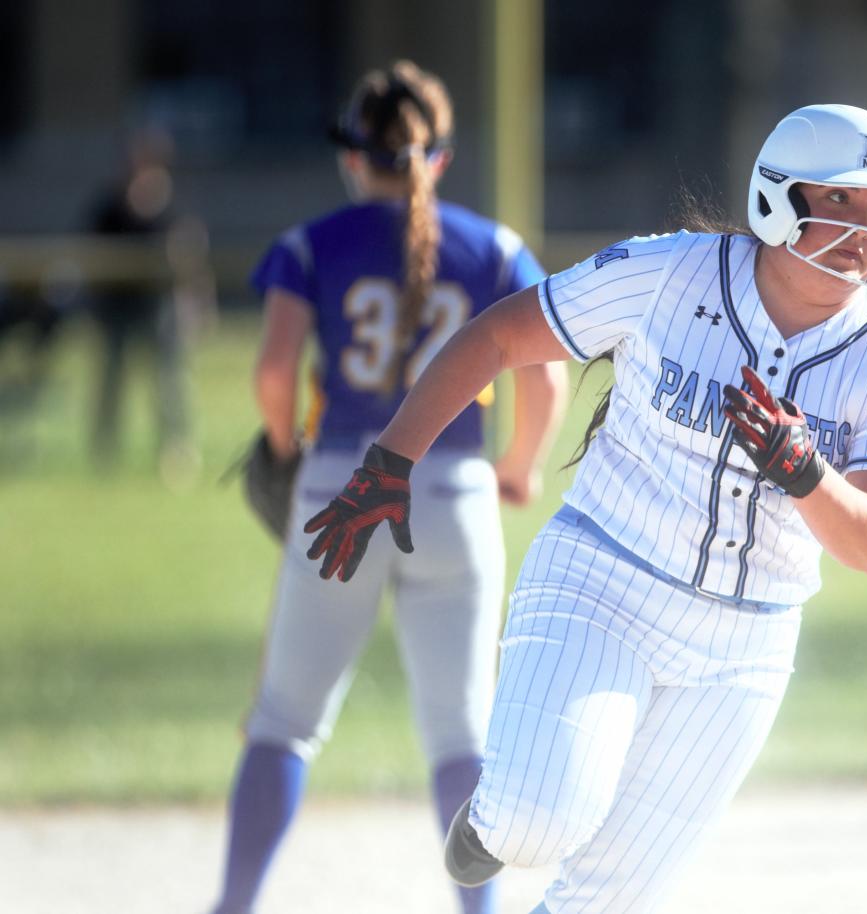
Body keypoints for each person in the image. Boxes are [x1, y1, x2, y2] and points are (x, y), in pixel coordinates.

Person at [303, 103, 867, 914]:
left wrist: (807, 473)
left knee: (611, 900)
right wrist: (391, 460)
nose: (862, 228)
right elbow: (497, 338)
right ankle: (497, 822)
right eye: (842, 199)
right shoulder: (670, 272)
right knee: (536, 824)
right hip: (604, 583)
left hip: (745, 645)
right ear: (779, 197)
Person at [209, 61, 567, 914]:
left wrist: (288, 445)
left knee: (286, 722)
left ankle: (233, 907)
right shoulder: (498, 247)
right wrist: (516, 469)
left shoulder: (312, 244)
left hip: (341, 489)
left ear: (353, 157)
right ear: (437, 158)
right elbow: (546, 382)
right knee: (461, 736)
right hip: (456, 494)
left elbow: (271, 374)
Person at [85, 126, 215, 486]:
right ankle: (104, 451)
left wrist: (201, 306)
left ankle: (177, 451)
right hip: (119, 307)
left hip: (160, 306)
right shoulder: (110, 206)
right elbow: (93, 253)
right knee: (111, 380)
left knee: (170, 383)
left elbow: (192, 257)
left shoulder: (170, 204)